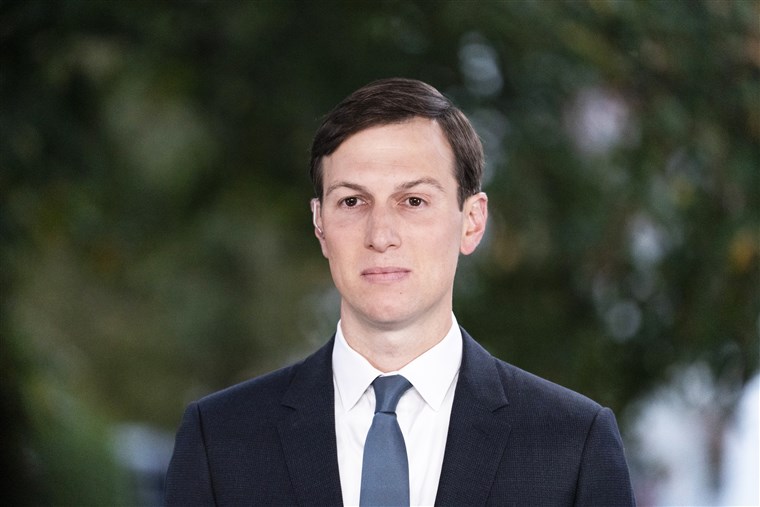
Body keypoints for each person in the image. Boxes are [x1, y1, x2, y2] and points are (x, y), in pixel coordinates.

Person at [164, 78, 635, 506]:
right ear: (320, 224)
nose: (381, 235)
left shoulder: (573, 445)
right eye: (352, 201)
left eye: (413, 201)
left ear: (472, 222)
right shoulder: (220, 440)